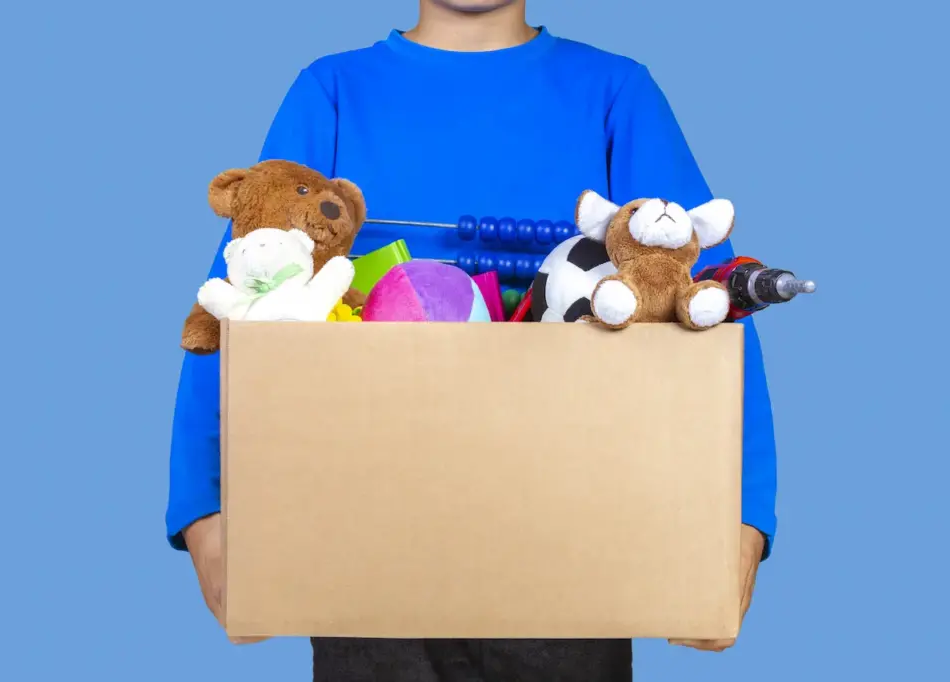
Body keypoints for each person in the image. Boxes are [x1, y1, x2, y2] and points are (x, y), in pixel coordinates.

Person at [167, 0, 777, 679]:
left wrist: (744, 515)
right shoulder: (331, 91)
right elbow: (238, 293)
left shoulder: (617, 92)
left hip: (571, 545)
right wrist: (205, 506)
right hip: (367, 547)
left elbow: (707, 305)